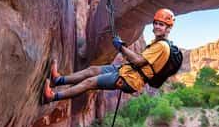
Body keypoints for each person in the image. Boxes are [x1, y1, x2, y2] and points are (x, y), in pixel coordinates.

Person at [43, 8, 176, 103]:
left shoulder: (162, 46)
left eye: (162, 24)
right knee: (92, 70)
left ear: (168, 28)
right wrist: (122, 47)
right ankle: (58, 80)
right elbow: (141, 61)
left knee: (89, 82)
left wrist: (121, 47)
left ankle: (52, 97)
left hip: (130, 79)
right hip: (127, 70)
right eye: (156, 23)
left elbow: (139, 61)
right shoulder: (157, 43)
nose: (157, 26)